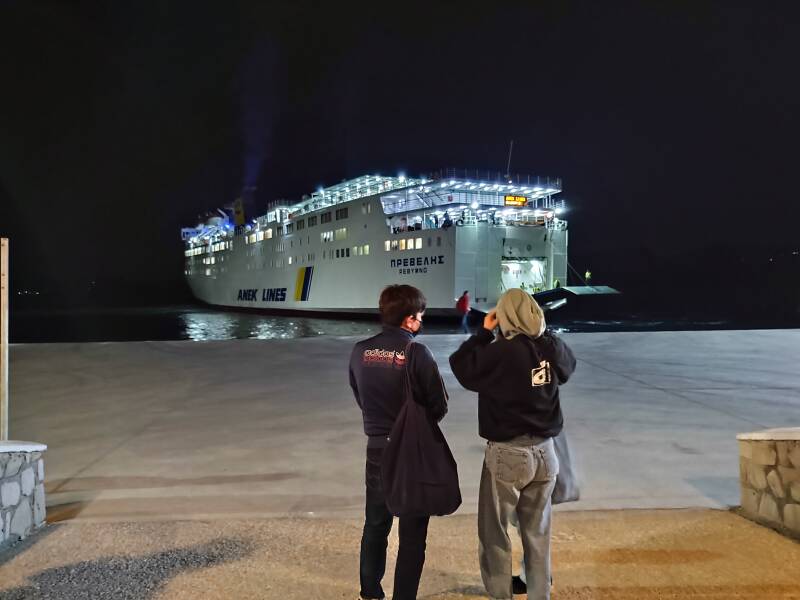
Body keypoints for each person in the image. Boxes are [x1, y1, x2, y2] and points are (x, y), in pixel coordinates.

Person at [448, 288, 576, 600]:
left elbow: (461, 367)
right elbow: (568, 366)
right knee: (537, 532)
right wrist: (542, 332)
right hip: (546, 452)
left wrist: (482, 332)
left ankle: (500, 594)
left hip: (508, 453)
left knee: (495, 532)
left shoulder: (499, 352)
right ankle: (538, 594)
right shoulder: (550, 346)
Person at [349, 284, 449, 600]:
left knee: (375, 524)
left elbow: (359, 396)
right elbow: (439, 405)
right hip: (411, 452)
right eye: (419, 317)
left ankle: (370, 591)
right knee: (412, 535)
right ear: (408, 319)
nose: (420, 322)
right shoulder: (416, 352)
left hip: (377, 448)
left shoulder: (360, 351)